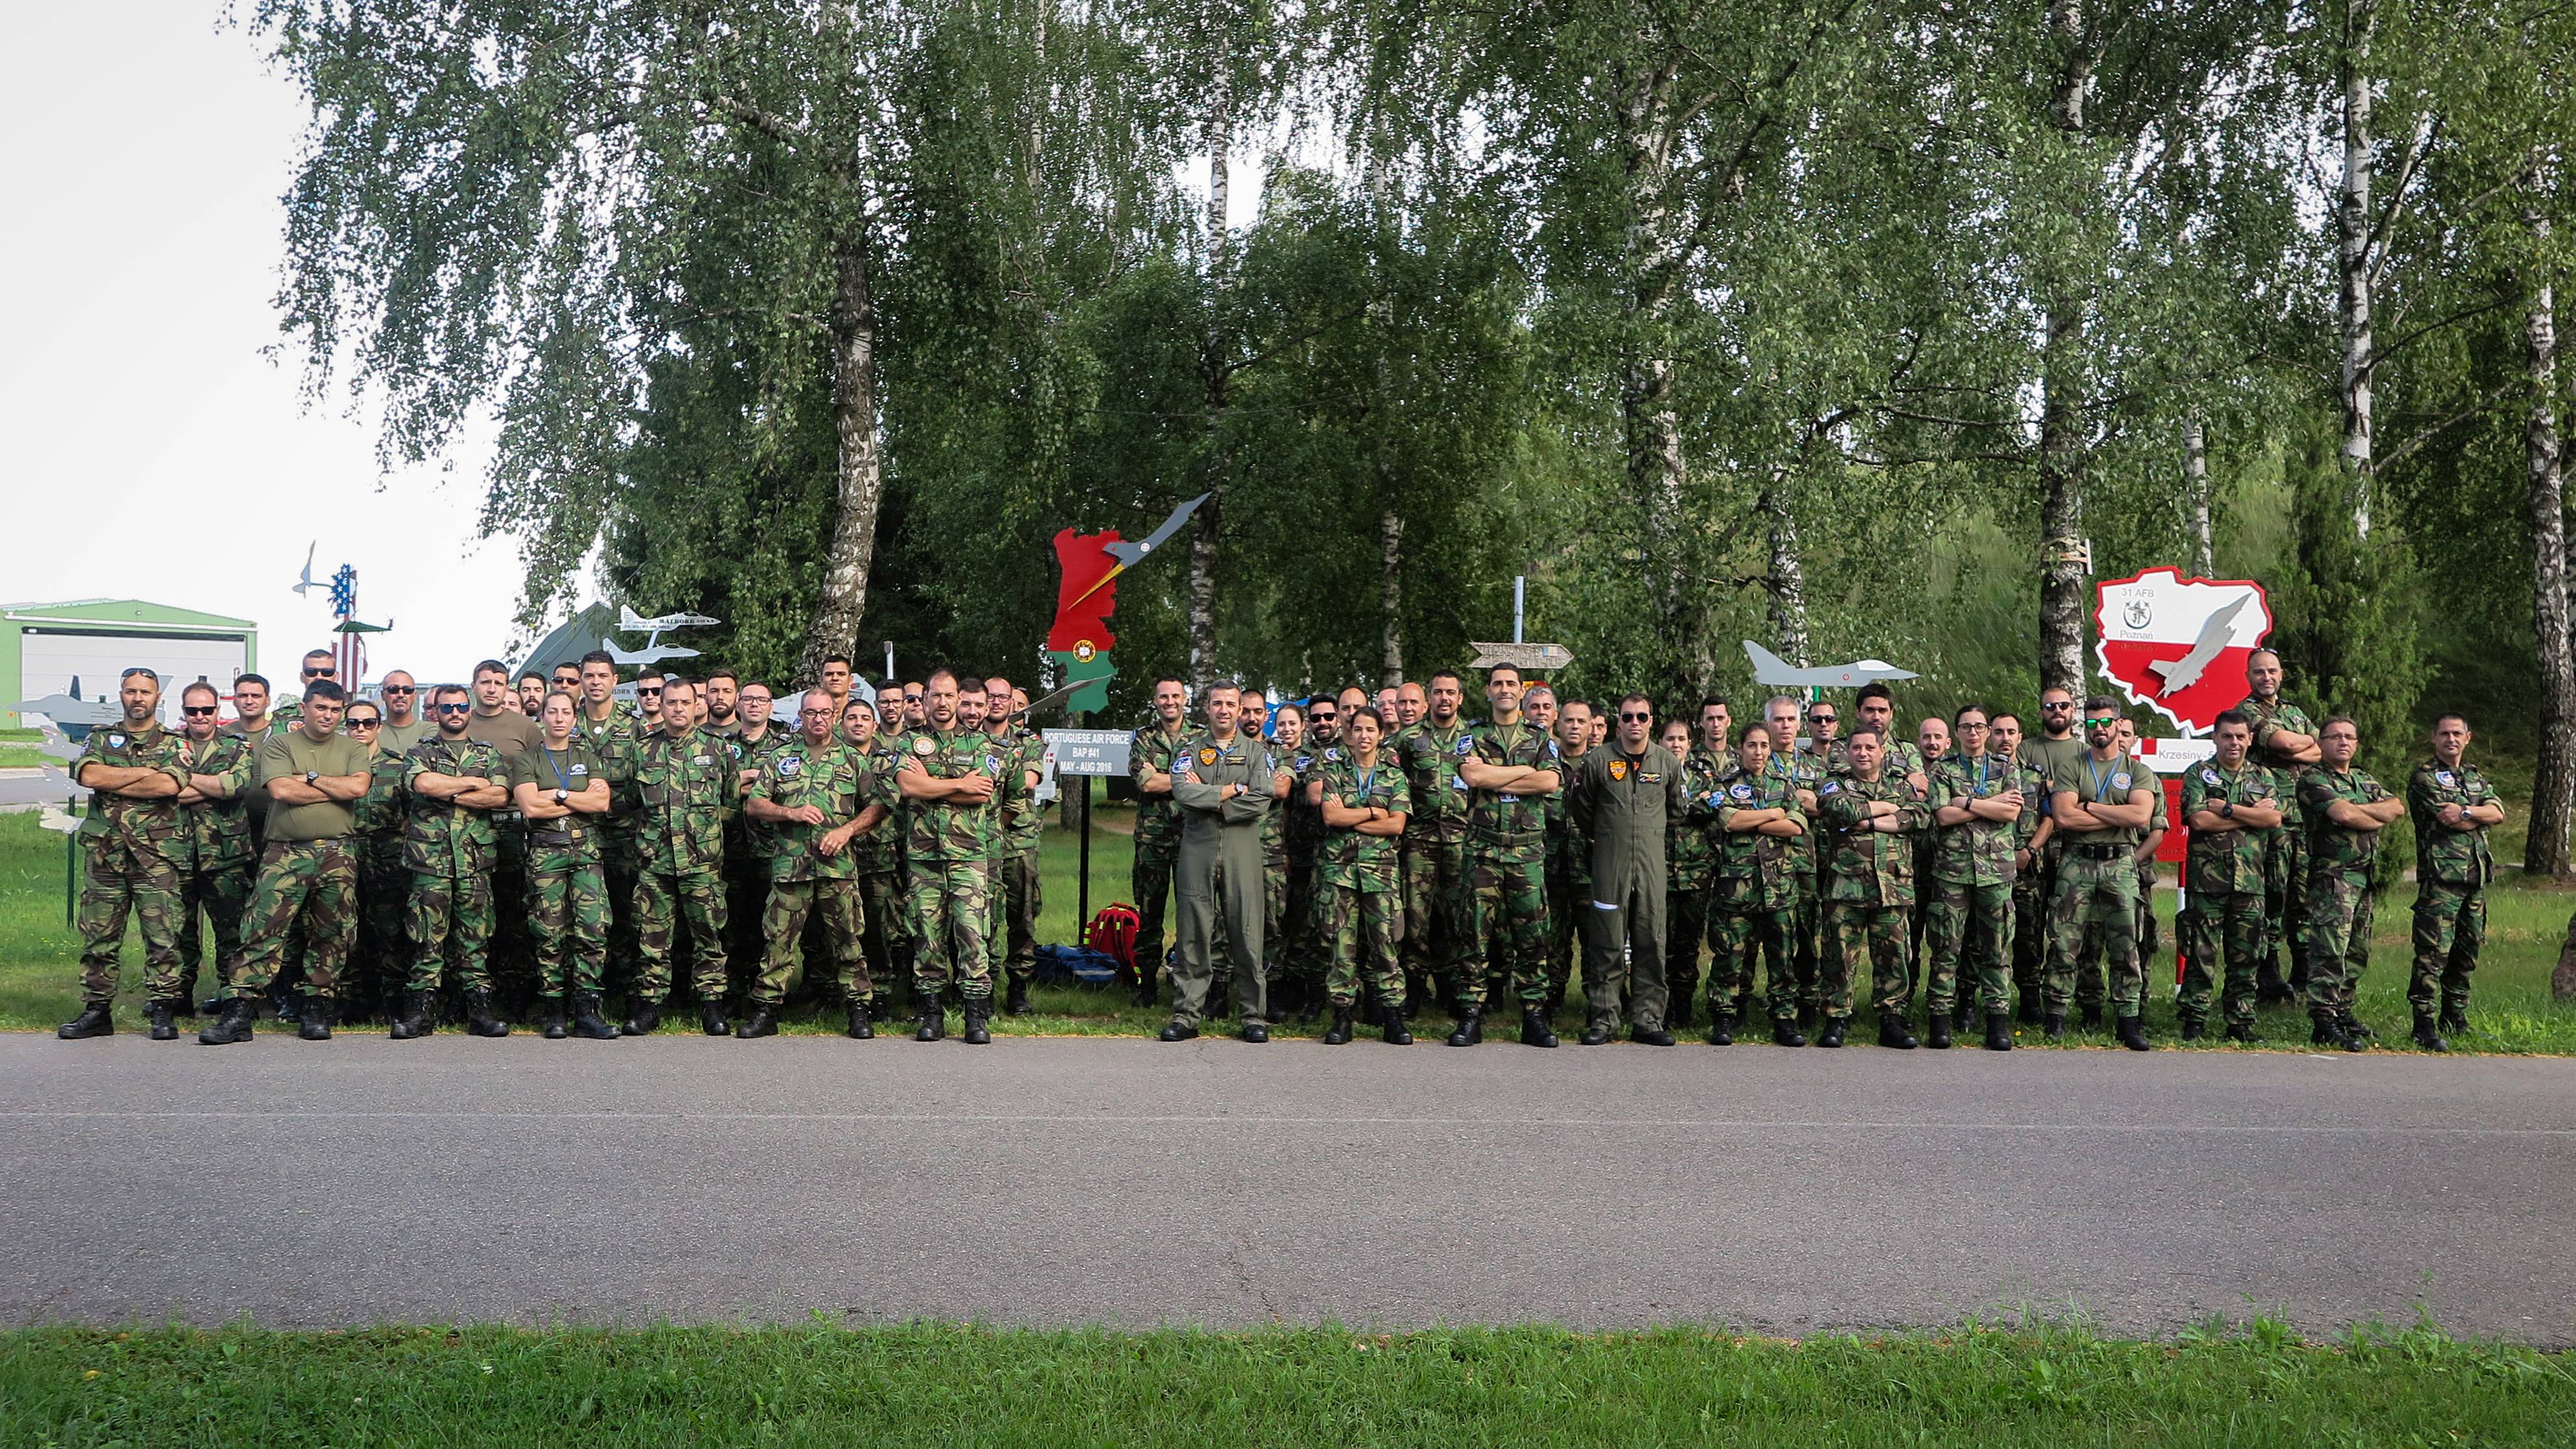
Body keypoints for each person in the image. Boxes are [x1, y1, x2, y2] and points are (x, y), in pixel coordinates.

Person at [201, 681, 371, 1044]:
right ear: (306, 708)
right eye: (321, 708)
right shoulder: (281, 744)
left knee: (332, 934)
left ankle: (315, 1008)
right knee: (262, 929)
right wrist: (331, 788)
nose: (327, 716)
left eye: (334, 710)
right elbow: (280, 790)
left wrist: (307, 777)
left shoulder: (352, 748)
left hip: (337, 854)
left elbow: (357, 789)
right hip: (286, 853)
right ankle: (239, 1011)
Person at [742, 688, 883, 1039]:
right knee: (778, 943)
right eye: (810, 713)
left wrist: (847, 831)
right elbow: (755, 804)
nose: (818, 719)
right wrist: (790, 812)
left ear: (834, 717)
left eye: (824, 713)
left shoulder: (852, 760)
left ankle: (858, 1008)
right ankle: (767, 1010)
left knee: (848, 940)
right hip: (791, 870)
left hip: (838, 869)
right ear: (800, 717)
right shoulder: (781, 757)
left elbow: (878, 806)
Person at [59, 668, 191, 1041]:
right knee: (100, 938)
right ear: (121, 694)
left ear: (157, 698)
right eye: (131, 691)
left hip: (156, 856)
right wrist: (144, 772)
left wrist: (121, 775)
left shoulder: (175, 742)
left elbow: (169, 785)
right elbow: (90, 778)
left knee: (163, 938)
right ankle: (97, 1011)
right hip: (106, 855)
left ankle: (163, 1011)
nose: (138, 698)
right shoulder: (101, 739)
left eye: (145, 692)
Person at [1165, 680, 1288, 1042]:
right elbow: (1183, 791)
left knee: (1247, 930)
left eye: (1231, 704)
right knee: (1193, 930)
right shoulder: (1190, 749)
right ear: (1207, 707)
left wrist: (1214, 801)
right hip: (1197, 846)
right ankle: (1187, 1014)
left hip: (1241, 846)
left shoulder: (1256, 752)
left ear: (1240, 709)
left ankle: (1253, 1016)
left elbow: (1263, 797)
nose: (1224, 710)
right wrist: (1233, 790)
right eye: (1217, 703)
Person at [394, 683, 514, 1038]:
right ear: (435, 712)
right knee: (426, 939)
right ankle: (420, 1014)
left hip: (474, 860)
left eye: (461, 706)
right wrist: (472, 784)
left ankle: (479, 1011)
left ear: (470, 708)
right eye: (447, 708)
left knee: (475, 939)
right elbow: (424, 785)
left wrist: (452, 791)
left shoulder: (487, 752)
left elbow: (500, 795)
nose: (455, 713)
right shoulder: (420, 751)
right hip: (431, 860)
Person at [1568, 694, 1687, 1046]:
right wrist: (1611, 834)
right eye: (1628, 716)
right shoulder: (1598, 760)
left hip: (1650, 863)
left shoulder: (1666, 763)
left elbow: (1678, 810)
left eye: (1642, 717)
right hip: (1610, 860)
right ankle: (1604, 1020)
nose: (1635, 723)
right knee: (1607, 941)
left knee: (1651, 940)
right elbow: (1582, 810)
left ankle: (1648, 1021)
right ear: (1618, 721)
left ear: (1652, 721)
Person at [627, 677, 739, 1037]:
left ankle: (712, 1005)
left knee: (710, 935)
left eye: (685, 703)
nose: (678, 709)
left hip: (702, 862)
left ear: (697, 705)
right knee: (652, 937)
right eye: (671, 702)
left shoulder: (718, 749)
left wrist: (705, 834)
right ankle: (649, 1007)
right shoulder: (642, 750)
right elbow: (631, 801)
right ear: (660, 706)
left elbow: (731, 802)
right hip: (655, 861)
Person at [2044, 697, 2158, 1050]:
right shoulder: (2071, 767)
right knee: (2064, 941)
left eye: (2105, 723)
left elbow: (2140, 817)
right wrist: (2115, 812)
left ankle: (2127, 1020)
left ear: (2117, 724)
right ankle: (2055, 1016)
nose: (2100, 730)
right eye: (2092, 724)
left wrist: (2089, 806)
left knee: (2125, 943)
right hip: (2077, 860)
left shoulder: (2138, 771)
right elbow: (2063, 817)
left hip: (2120, 862)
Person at [1458, 664, 1562, 1048]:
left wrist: (1495, 772)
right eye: (1497, 684)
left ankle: (1534, 1015)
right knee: (1475, 934)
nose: (1504, 690)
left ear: (1522, 692)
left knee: (1533, 936)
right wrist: (1522, 774)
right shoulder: (1472, 735)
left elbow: (1550, 780)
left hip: (1526, 853)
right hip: (1483, 850)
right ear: (1488, 691)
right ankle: (1471, 1013)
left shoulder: (1539, 738)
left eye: (1511, 684)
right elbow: (1473, 778)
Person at [898, 668, 1001, 1043]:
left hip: (968, 856)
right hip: (924, 856)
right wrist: (959, 783)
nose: (942, 703)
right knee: (927, 935)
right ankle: (932, 1014)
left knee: (972, 934)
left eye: (948, 696)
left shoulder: (980, 744)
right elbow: (908, 786)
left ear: (960, 700)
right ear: (924, 700)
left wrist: (932, 786)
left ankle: (976, 1016)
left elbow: (982, 793)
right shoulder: (909, 743)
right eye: (935, 696)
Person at [509, 690, 619, 1039]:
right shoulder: (528, 759)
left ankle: (588, 1011)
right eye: (552, 712)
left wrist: (556, 794)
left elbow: (602, 803)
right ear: (542, 717)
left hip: (585, 853)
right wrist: (577, 799)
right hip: (546, 853)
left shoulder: (588, 757)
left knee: (593, 928)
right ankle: (554, 1010)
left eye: (566, 712)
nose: (559, 718)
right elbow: (530, 807)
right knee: (549, 931)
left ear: (575, 718)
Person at [1817, 727, 1928, 1049]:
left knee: (1893, 957)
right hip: (1845, 887)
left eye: (1869, 747)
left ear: (1882, 751)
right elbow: (1841, 810)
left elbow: (1919, 818)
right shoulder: (1835, 782)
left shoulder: (1900, 783)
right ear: (1848, 752)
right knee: (1839, 956)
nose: (1863, 753)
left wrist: (1870, 820)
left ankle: (1891, 1019)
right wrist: (1889, 808)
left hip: (1891, 886)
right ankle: (1836, 1019)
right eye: (1856, 748)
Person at [2299, 717, 2403, 1050]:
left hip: (2364, 876)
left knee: (2357, 949)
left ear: (2357, 744)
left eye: (2349, 737)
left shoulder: (2363, 779)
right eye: (2335, 737)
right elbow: (2342, 815)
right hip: (2333, 878)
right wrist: (2370, 817)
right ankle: (2324, 1019)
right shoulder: (2313, 778)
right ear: (2321, 743)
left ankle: (2344, 1011)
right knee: (2330, 949)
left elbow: (2397, 807)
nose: (2343, 742)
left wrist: (2360, 811)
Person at [2179, 711, 2282, 1042]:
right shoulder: (2199, 773)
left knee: (2247, 956)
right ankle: (2194, 1020)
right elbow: (2198, 822)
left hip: (2250, 883)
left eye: (2240, 736)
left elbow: (2274, 820)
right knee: (2201, 955)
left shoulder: (2263, 775)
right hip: (2208, 882)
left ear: (2250, 739)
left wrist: (2226, 808)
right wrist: (2253, 815)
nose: (2234, 743)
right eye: (2227, 736)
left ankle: (2240, 1022)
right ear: (2215, 738)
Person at [1925, 705, 2021, 1051]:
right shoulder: (1943, 769)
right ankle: (1940, 1019)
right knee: (1945, 948)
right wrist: (1987, 803)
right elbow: (1942, 815)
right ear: (1957, 733)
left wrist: (1965, 800)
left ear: (1987, 731)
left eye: (1979, 727)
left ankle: (1997, 1021)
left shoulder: (2006, 767)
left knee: (1996, 949)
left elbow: (2011, 812)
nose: (1973, 733)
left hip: (1995, 873)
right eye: (1966, 727)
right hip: (1953, 871)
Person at [2406, 714, 2503, 1052]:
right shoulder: (2424, 777)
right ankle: (2424, 1023)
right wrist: (2475, 814)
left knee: (2467, 952)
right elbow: (2446, 819)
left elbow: (2498, 812)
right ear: (2433, 738)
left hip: (2474, 880)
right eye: (2444, 734)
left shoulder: (2475, 777)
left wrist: (2466, 812)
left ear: (2468, 738)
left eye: (2457, 733)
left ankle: (2455, 1018)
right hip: (2441, 881)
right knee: (2433, 954)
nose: (2451, 739)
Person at [1707, 722, 1807, 1046]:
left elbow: (1795, 828)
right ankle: (1725, 1015)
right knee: (1730, 958)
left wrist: (1756, 817)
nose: (1759, 752)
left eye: (1764, 746)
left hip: (1778, 889)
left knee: (1782, 960)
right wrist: (1772, 813)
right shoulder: (1724, 784)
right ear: (1740, 749)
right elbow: (1730, 821)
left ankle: (1784, 1020)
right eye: (1752, 745)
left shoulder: (1785, 786)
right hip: (1736, 889)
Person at [1316, 706, 1412, 1044]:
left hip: (1380, 874)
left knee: (1385, 946)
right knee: (1342, 947)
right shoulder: (1335, 772)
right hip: (1341, 872)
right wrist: (1372, 813)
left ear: (1381, 734)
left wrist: (1350, 817)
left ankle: (1393, 1016)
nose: (1364, 736)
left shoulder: (1393, 776)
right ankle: (1343, 1015)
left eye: (1371, 730)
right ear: (1349, 733)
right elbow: (1330, 816)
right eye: (1358, 730)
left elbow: (1397, 824)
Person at [168, 681, 257, 1020]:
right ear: (184, 712)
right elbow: (162, 791)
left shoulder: (237, 746)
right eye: (193, 710)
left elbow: (235, 786)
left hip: (226, 853)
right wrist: (213, 786)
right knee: (179, 929)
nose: (200, 716)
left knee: (231, 930)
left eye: (207, 710)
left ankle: (230, 994)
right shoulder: (168, 745)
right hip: (176, 851)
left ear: (219, 711)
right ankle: (178, 994)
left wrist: (185, 779)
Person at [2238, 649, 2321, 1002]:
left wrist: (2295, 749)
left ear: (2282, 674)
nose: (2266, 677)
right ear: (2249, 676)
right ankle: (2269, 975)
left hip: (2305, 818)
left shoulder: (2294, 712)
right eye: (2259, 672)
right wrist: (2301, 745)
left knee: (2304, 897)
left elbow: (2324, 749)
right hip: (2274, 820)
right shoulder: (2247, 711)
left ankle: (2302, 974)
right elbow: (2285, 742)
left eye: (2272, 671)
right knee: (2274, 894)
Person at [1394, 671, 1471, 1015]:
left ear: (1460, 699)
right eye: (1438, 692)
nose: (1444, 698)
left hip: (1461, 839)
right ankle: (1413, 987)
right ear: (1430, 699)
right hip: (1419, 840)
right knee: (1416, 915)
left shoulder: (1475, 737)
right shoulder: (1409, 739)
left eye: (1450, 693)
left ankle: (1452, 987)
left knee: (1457, 914)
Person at [573, 651, 644, 994]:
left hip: (623, 838)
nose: (596, 682)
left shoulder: (634, 728)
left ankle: (626, 988)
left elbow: (644, 782)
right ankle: (585, 989)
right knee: (582, 916)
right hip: (576, 836)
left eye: (603, 676)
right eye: (589, 676)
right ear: (581, 681)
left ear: (615, 681)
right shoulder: (564, 724)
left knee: (626, 913)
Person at [840, 697, 911, 1026]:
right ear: (843, 724)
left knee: (879, 928)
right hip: (837, 859)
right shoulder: (833, 758)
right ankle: (842, 991)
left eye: (865, 718)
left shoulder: (889, 761)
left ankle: (879, 992)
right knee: (843, 928)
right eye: (851, 717)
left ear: (874, 724)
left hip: (879, 856)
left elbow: (889, 801)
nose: (858, 723)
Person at [343, 696, 412, 1020]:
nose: (360, 729)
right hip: (345, 857)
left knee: (391, 931)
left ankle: (393, 1001)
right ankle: (354, 1000)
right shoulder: (336, 763)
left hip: (387, 860)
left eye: (367, 723)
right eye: (353, 723)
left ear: (378, 727)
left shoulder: (397, 765)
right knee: (347, 931)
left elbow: (414, 812)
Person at [1127, 676, 1192, 1007]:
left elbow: (1208, 782)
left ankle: (1184, 983)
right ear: (1155, 701)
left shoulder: (1200, 738)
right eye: (1164, 696)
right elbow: (1145, 783)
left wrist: (1162, 778)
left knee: (1190, 914)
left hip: (1190, 840)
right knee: (1150, 915)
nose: (1170, 702)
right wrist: (1186, 781)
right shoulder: (1142, 738)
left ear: (1185, 699)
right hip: (1152, 841)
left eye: (1176, 696)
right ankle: (1147, 983)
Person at [1986, 711, 2055, 1027]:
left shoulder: (2034, 777)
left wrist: (2029, 850)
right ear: (1990, 736)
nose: (2004, 738)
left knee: (2028, 938)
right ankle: (1970, 1004)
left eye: (2010, 732)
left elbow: (2049, 819)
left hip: (2025, 869)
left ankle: (2029, 1000)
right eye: (1998, 732)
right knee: (1983, 939)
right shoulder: (1981, 775)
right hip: (1986, 868)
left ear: (2020, 737)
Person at [984, 674, 1045, 1014]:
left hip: (1019, 841)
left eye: (1002, 697)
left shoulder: (1028, 741)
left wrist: (987, 780)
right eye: (989, 696)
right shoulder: (970, 740)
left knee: (1022, 918)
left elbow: (1028, 782)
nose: (995, 702)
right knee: (984, 919)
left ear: (1012, 704)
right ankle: (986, 988)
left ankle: (1019, 988)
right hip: (980, 842)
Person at [1766, 696, 1828, 1029]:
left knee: (1806, 936)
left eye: (1791, 719)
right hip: (1764, 865)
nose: (1785, 726)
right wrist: (1800, 801)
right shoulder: (1757, 762)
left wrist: (1786, 804)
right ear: (1768, 724)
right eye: (1778, 720)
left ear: (1799, 724)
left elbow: (1826, 806)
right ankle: (1770, 1002)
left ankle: (1808, 1002)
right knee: (1772, 939)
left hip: (1805, 862)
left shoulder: (1815, 765)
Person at [1660, 716, 1716, 1031]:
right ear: (1661, 742)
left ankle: (1684, 1007)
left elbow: (1714, 808)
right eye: (1670, 739)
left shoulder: (1703, 775)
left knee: (1688, 945)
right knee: (1661, 944)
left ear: (1690, 744)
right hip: (1662, 872)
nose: (1676, 745)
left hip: (1696, 874)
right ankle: (1663, 1007)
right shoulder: (1653, 775)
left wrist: (1691, 807)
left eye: (1681, 739)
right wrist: (1692, 808)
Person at [1542, 699, 1596, 1019]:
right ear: (1557, 724)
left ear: (1591, 727)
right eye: (1569, 721)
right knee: (1552, 939)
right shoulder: (1544, 764)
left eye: (1581, 721)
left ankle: (1597, 1000)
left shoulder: (1601, 766)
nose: (1574, 726)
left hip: (1590, 869)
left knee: (1595, 940)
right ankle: (1551, 999)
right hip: (1551, 867)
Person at [377, 670, 429, 753]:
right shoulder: (371, 730)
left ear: (415, 696)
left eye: (407, 690)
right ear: (383, 695)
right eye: (393, 689)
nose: (401, 695)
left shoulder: (430, 730)